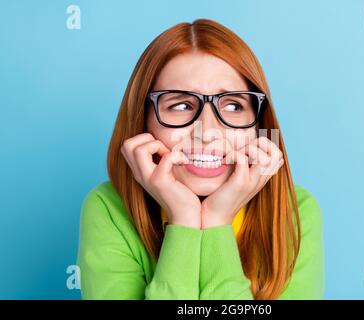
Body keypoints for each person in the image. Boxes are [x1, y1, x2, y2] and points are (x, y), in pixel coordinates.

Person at [77, 18, 324, 300]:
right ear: (142, 122)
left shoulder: (295, 212)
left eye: (232, 105)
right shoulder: (109, 208)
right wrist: (184, 219)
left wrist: (217, 220)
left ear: (258, 125)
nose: (207, 132)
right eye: (180, 105)